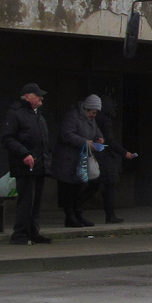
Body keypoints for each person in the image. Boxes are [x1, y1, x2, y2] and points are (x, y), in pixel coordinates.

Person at [0, 83, 53, 245]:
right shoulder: (15, 114)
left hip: (39, 164)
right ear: (28, 97)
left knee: (36, 201)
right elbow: (7, 138)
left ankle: (33, 231)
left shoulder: (38, 115)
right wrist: (24, 153)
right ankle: (20, 233)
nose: (41, 98)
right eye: (38, 95)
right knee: (26, 200)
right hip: (24, 165)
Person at [52, 94, 104, 227]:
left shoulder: (90, 119)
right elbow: (66, 134)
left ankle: (78, 214)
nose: (94, 115)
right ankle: (70, 217)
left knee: (80, 187)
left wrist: (99, 139)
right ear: (87, 109)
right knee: (69, 189)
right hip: (67, 159)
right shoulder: (72, 116)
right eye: (93, 112)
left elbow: (96, 131)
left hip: (81, 159)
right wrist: (85, 142)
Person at [94, 101, 137, 224]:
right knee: (110, 185)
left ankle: (75, 209)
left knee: (94, 186)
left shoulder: (94, 118)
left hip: (96, 153)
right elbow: (110, 141)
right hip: (104, 156)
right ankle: (110, 215)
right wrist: (124, 153)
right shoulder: (105, 120)